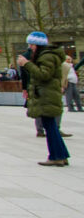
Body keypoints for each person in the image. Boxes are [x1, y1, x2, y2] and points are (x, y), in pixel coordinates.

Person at [19, 32, 69, 166]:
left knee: (50, 126)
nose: (30, 48)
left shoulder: (47, 56)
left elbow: (43, 74)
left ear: (37, 45)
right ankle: (61, 155)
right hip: (46, 94)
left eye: (31, 44)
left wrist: (26, 64)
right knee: (51, 126)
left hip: (46, 94)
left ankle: (56, 156)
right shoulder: (48, 55)